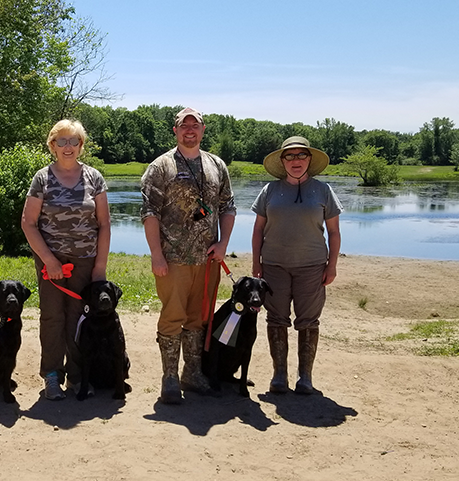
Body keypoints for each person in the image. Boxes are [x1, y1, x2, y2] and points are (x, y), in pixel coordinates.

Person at [140, 107, 236, 405]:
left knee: (199, 319)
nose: (190, 130)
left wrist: (222, 245)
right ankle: (169, 378)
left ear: (203, 129)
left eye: (195, 125)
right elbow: (148, 212)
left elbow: (228, 207)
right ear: (176, 131)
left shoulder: (216, 165)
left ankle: (191, 374)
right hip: (173, 259)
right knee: (172, 317)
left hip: (208, 260)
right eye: (184, 126)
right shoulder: (161, 166)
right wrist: (156, 255)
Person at [21, 119, 111, 400]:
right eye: (62, 141)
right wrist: (49, 260)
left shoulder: (94, 178)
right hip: (51, 264)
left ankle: (77, 376)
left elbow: (105, 224)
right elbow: (28, 223)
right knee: (52, 318)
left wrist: (100, 267)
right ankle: (51, 376)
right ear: (53, 145)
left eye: (74, 141)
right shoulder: (42, 178)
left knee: (79, 319)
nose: (68, 146)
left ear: (81, 145)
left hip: (85, 261)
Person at [251, 136, 343, 395]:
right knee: (276, 319)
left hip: (312, 267)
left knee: (309, 321)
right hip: (274, 267)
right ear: (282, 161)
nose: (296, 161)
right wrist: (256, 263)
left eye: (301, 155)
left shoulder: (323, 191)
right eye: (290, 156)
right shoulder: (269, 191)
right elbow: (258, 229)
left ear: (309, 160)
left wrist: (331, 265)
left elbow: (334, 233)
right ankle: (279, 375)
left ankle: (305, 377)